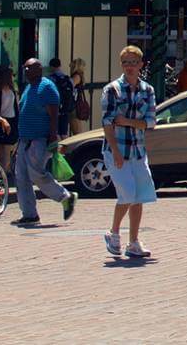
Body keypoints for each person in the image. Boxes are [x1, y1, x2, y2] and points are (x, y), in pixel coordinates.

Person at [100, 46, 158, 258]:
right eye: (126, 62)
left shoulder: (148, 90)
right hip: (118, 149)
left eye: (134, 62)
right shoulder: (112, 90)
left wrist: (126, 121)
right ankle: (114, 233)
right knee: (127, 193)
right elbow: (108, 123)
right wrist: (115, 151)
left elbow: (151, 123)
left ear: (141, 64)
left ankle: (133, 242)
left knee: (139, 196)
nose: (130, 67)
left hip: (138, 150)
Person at [12, 58, 77, 225]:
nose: (26, 71)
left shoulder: (46, 87)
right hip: (24, 139)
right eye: (24, 68)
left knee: (37, 174)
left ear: (39, 69)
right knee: (21, 177)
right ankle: (29, 214)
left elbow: (54, 113)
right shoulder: (28, 87)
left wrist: (53, 136)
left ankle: (65, 197)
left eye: (29, 68)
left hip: (40, 139)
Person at [47, 57, 75, 140]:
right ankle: (65, 152)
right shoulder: (68, 79)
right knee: (64, 133)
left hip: (54, 110)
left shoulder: (49, 79)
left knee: (56, 133)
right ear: (60, 65)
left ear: (51, 67)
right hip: (65, 110)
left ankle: (57, 151)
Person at [69, 59, 88, 137]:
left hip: (74, 106)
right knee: (78, 132)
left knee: (77, 133)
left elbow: (69, 87)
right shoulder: (79, 76)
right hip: (76, 105)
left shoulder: (76, 76)